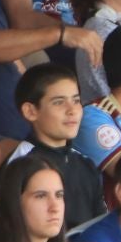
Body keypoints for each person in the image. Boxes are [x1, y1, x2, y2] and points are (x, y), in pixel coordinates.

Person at [11, 63, 104, 227]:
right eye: (59, 102)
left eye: (76, 101)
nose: (72, 110)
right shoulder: (22, 163)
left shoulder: (85, 163)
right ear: (31, 111)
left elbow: (100, 224)